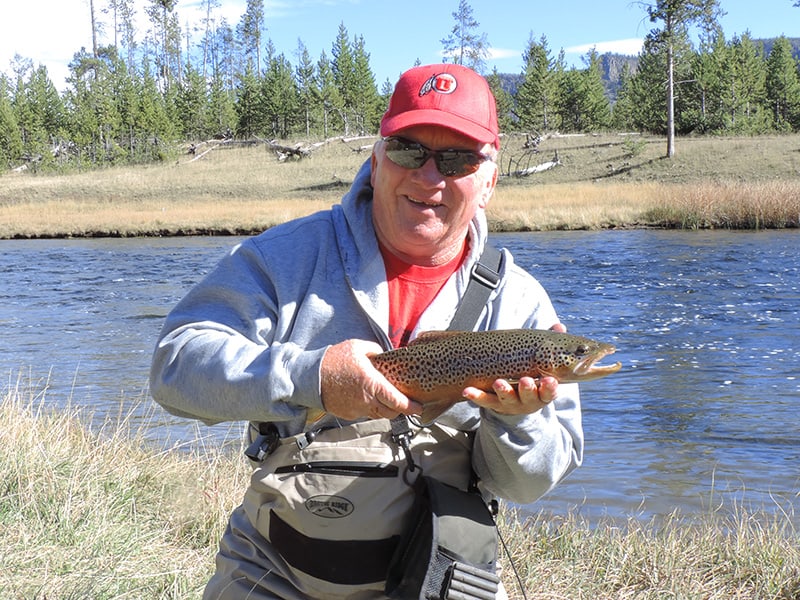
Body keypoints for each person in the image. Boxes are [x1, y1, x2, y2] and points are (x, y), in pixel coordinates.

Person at [150, 63, 583, 600]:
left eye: (457, 159)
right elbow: (175, 366)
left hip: (441, 581)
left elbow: (527, 486)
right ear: (376, 160)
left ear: (489, 180)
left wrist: (520, 421)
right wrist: (312, 378)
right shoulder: (283, 259)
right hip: (272, 573)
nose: (429, 177)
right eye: (407, 149)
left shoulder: (520, 303)